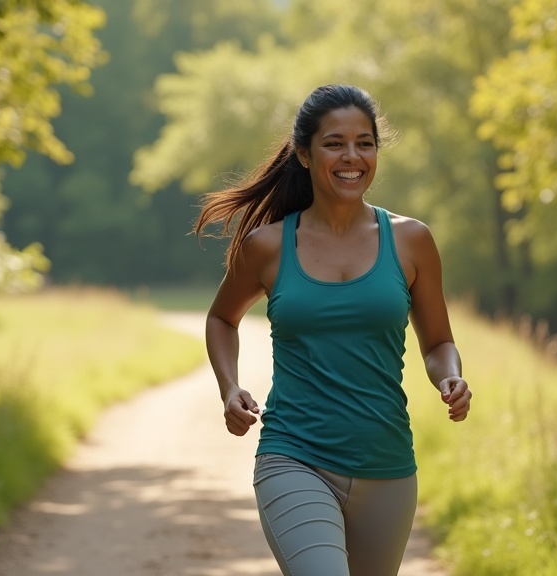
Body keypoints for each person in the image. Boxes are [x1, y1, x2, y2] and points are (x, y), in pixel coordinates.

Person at [194, 84, 472, 576]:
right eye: (335, 143)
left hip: (387, 466)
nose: (352, 157)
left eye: (365, 143)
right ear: (303, 153)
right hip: (294, 456)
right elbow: (222, 318)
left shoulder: (411, 240)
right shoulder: (269, 246)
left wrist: (449, 376)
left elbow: (438, 341)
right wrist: (229, 386)